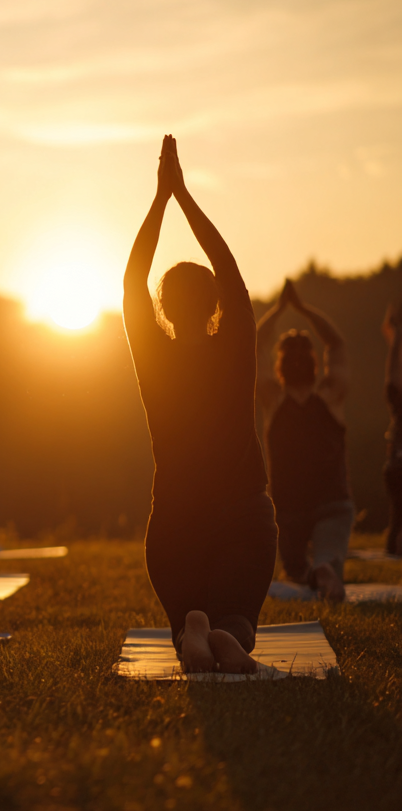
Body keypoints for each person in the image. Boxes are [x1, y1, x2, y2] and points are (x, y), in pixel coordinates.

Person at [123, 136, 277, 675]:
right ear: (216, 306)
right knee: (237, 619)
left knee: (190, 613)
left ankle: (189, 627)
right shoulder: (236, 344)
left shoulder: (155, 357)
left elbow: (132, 281)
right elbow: (227, 267)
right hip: (244, 516)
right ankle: (228, 634)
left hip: (175, 522)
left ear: (163, 308)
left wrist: (159, 199)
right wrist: (184, 196)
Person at [256, 279, 352, 601]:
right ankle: (324, 568)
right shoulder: (331, 395)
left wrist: (280, 309)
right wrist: (303, 309)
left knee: (295, 573)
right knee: (326, 559)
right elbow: (336, 344)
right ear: (314, 362)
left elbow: (256, 345)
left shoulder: (273, 399)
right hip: (327, 505)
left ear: (279, 366)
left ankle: (317, 571)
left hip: (290, 510)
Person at [383, 303, 402, 555]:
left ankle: (393, 547)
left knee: (397, 515)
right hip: (398, 465)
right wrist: (396, 337)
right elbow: (393, 378)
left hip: (396, 464)